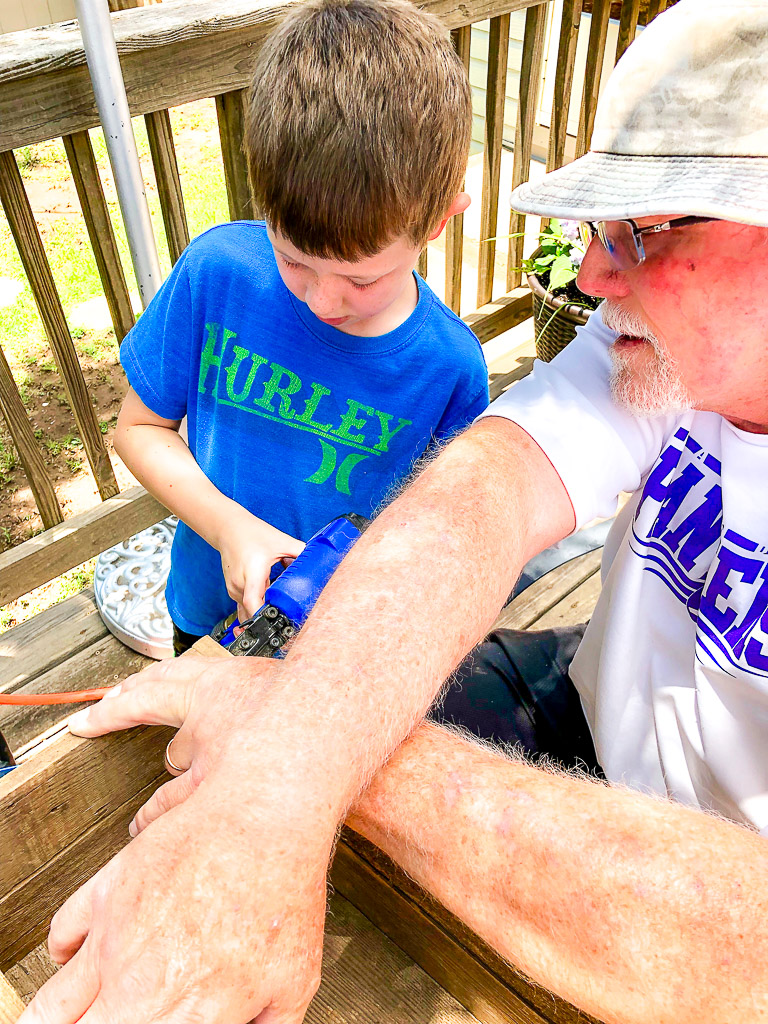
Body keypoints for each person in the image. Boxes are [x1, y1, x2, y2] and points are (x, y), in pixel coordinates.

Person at [18, 1, 768, 1023]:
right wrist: (288, 766)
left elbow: (739, 951)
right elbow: (485, 488)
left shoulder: (458, 357)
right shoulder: (661, 348)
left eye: (646, 228)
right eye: (602, 227)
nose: (590, 275)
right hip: (578, 694)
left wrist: (285, 742)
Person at [114, 0, 488, 654]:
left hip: (338, 646)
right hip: (205, 615)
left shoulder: (451, 369)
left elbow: (440, 533)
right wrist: (231, 529)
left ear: (439, 222)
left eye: (362, 280)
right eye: (292, 261)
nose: (322, 302)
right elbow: (138, 430)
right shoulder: (218, 273)